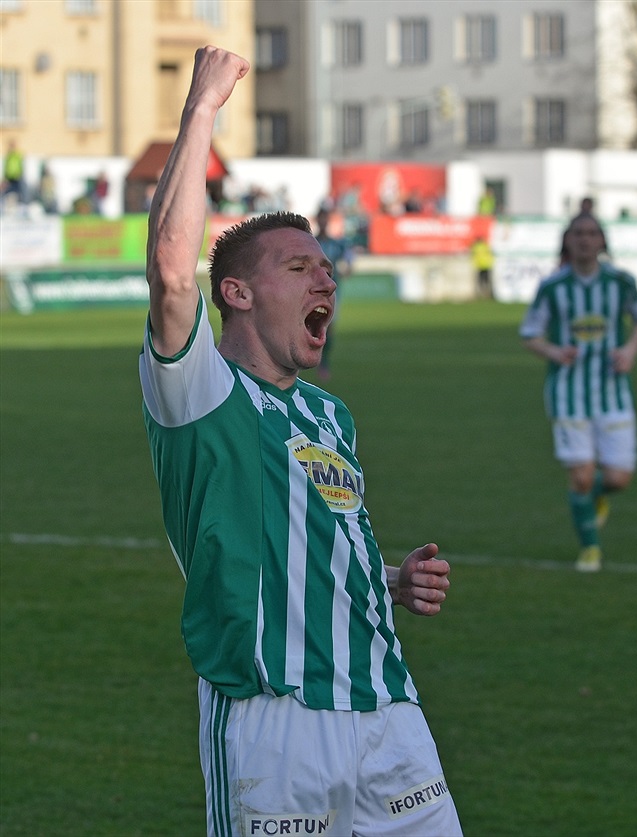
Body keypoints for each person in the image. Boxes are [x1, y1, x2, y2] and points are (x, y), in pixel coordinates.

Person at [139, 45, 463, 837]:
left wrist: (388, 579)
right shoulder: (201, 392)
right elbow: (173, 271)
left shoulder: (330, 415)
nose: (327, 280)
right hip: (274, 727)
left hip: (388, 712)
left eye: (327, 268)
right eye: (299, 267)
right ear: (239, 293)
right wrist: (202, 110)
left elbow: (311, 541)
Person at [519, 213, 637, 572]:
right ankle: (590, 548)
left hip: (613, 392)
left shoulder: (621, 282)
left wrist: (630, 352)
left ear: (602, 241)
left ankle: (597, 500)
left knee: (617, 479)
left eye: (592, 233)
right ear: (568, 240)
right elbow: (530, 333)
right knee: (580, 475)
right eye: (578, 233)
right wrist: (554, 352)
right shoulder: (553, 287)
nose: (585, 240)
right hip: (568, 394)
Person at [314, 207, 354, 380]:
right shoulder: (311, 243)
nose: (323, 222)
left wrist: (348, 267)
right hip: (311, 291)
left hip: (331, 292)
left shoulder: (336, 243)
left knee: (329, 326)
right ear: (317, 220)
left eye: (325, 218)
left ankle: (324, 363)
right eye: (321, 218)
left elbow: (349, 256)